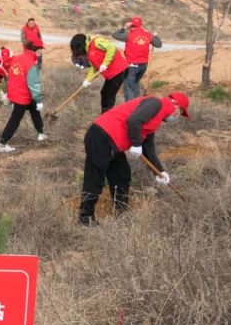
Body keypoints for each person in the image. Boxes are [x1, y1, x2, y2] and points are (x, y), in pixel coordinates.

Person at [78, 92, 190, 226]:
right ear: (175, 106)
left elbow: (148, 147)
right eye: (180, 112)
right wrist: (136, 144)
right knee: (95, 177)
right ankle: (86, 217)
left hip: (114, 144)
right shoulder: (155, 103)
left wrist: (159, 171)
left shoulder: (156, 117)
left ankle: (121, 213)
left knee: (122, 175)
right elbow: (134, 120)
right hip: (101, 136)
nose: (176, 116)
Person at [0, 43, 46, 153]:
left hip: (17, 92)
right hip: (22, 95)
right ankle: (2, 144)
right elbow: (34, 84)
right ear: (36, 51)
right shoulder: (30, 64)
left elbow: (12, 75)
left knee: (35, 111)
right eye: (40, 51)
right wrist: (39, 99)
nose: (41, 53)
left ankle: (41, 133)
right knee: (15, 119)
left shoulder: (17, 58)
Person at [70, 33, 129, 112]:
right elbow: (94, 68)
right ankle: (104, 114)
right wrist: (88, 80)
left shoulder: (96, 41)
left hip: (119, 70)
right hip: (111, 74)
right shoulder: (88, 52)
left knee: (109, 95)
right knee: (104, 93)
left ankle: (107, 117)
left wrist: (105, 63)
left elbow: (111, 48)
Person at [112, 17, 163, 101]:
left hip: (131, 65)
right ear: (140, 25)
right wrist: (155, 36)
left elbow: (115, 35)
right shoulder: (147, 35)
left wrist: (124, 28)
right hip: (143, 65)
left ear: (131, 25)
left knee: (128, 86)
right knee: (135, 83)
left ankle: (130, 106)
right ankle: (137, 103)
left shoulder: (128, 34)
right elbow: (158, 44)